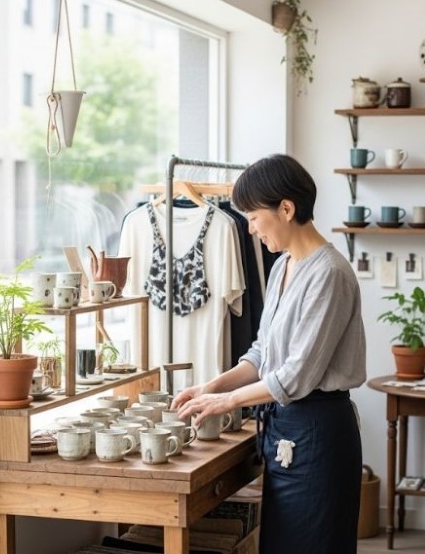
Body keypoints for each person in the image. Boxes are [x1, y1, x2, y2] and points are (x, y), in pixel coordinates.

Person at [172, 154, 367, 554]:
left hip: (318, 433)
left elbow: (295, 376)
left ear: (287, 208)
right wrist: (211, 385)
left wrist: (226, 401)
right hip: (287, 431)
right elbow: (263, 353)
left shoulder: (329, 273)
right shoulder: (282, 268)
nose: (250, 229)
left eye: (254, 217)